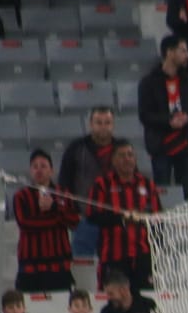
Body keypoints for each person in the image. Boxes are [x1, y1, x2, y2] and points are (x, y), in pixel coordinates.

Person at [89, 139, 162, 291]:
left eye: (130, 155)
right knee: (114, 301)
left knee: (145, 300)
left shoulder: (148, 185)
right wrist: (122, 219)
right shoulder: (102, 184)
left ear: (135, 159)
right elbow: (92, 215)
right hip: (113, 256)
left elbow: (157, 217)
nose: (127, 159)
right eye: (122, 155)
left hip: (143, 256)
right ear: (113, 160)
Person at [138, 34, 188, 201]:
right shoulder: (148, 82)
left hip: (186, 145)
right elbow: (145, 115)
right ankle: (163, 226)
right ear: (169, 52)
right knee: (163, 194)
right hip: (161, 146)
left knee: (187, 194)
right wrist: (169, 121)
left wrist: (187, 118)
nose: (187, 55)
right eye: (183, 51)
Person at [12, 149, 80, 293]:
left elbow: (74, 221)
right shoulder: (21, 196)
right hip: (30, 264)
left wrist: (54, 207)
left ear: (52, 170)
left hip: (59, 264)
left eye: (43, 166)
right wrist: (57, 219)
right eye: (35, 166)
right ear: (30, 171)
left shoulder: (63, 194)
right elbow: (25, 224)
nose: (39, 170)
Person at [58, 106, 117, 258]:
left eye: (107, 122)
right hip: (85, 221)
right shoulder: (76, 149)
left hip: (115, 223)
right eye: (99, 122)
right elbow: (64, 184)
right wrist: (71, 215)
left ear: (113, 124)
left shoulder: (122, 150)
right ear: (90, 124)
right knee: (84, 272)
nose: (103, 127)